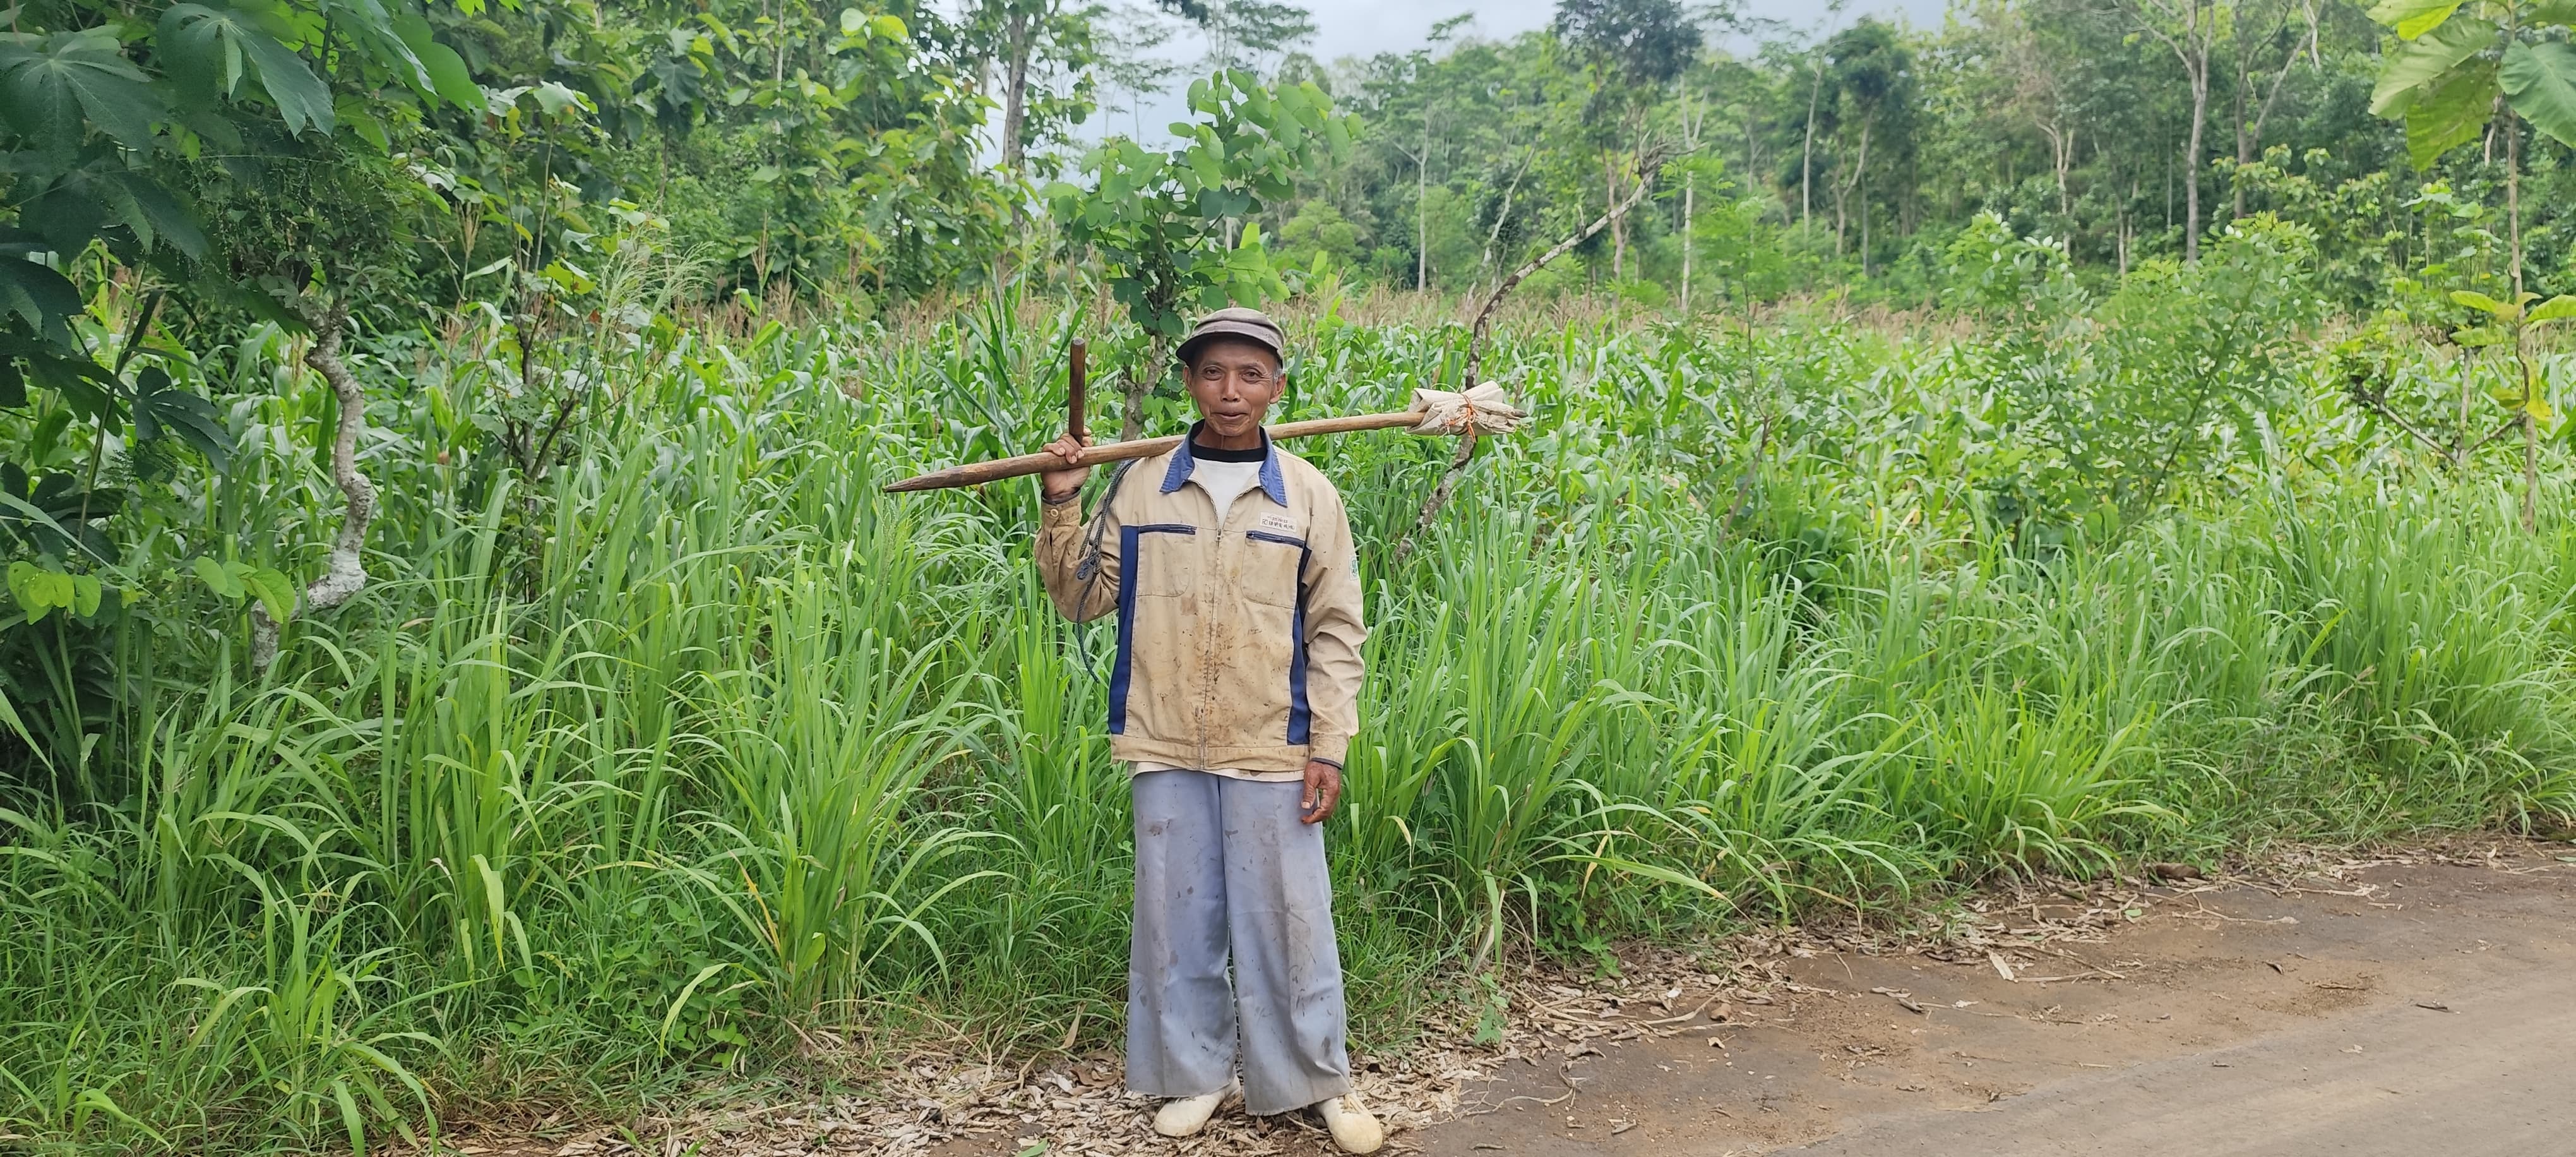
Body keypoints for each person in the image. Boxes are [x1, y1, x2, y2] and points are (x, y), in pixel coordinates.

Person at [1034, 307, 1384, 1154]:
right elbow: (1082, 597)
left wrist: (1329, 744)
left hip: (1273, 740)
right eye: (1215, 373)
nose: (1232, 391)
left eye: (1251, 375)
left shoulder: (1306, 495)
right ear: (1190, 382)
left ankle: (1315, 1077)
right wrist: (1060, 502)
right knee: (1175, 918)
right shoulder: (1143, 483)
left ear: (1277, 388)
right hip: (1164, 738)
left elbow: (1336, 629)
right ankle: (1192, 1075)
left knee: (1291, 919)